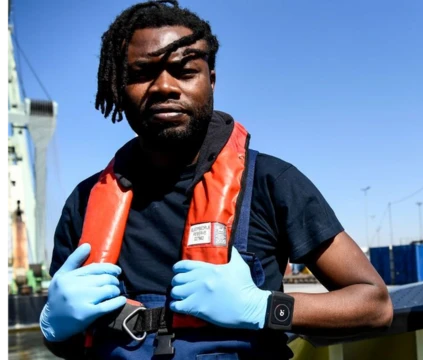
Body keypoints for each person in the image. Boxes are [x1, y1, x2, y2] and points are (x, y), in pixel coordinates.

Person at [39, 1, 393, 358]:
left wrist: (264, 307)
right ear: (118, 87)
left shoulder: (272, 183)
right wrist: (55, 328)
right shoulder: (85, 202)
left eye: (184, 71)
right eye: (143, 73)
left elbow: (375, 305)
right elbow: (68, 342)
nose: (163, 86)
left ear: (211, 81)